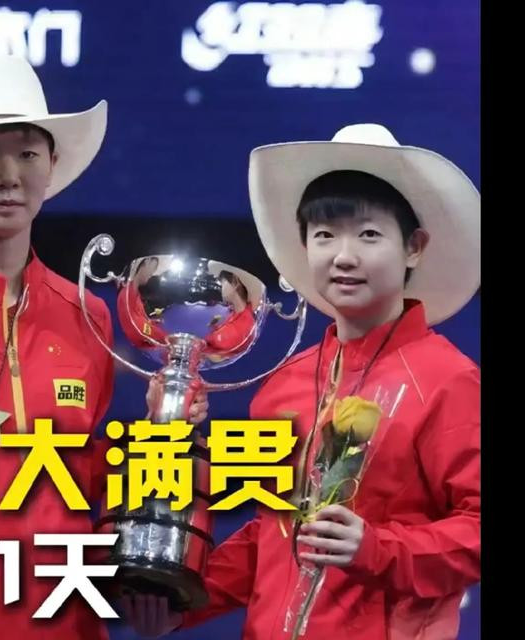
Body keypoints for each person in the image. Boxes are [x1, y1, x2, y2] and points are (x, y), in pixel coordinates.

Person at [0, 54, 207, 640]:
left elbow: (82, 472)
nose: (8, 175)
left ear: (52, 166)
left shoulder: (87, 315)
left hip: (62, 619)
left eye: (28, 154)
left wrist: (162, 434)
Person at [121, 124, 480, 639]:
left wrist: (378, 549)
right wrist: (182, 602)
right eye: (325, 235)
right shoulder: (286, 383)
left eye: (369, 234)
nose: (344, 255)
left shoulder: (448, 381)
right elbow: (271, 534)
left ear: (414, 247)